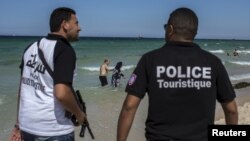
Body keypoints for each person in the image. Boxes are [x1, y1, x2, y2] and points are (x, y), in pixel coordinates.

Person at [117, 7, 238, 141]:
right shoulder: (213, 62)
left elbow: (129, 106)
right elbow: (231, 110)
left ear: (170, 29)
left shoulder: (150, 60)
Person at [10, 7, 86, 141]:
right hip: (54, 131)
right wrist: (79, 114)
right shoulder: (64, 50)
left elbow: (23, 89)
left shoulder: (31, 48)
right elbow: (62, 93)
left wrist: (18, 124)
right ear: (65, 25)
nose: (80, 28)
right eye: (76, 23)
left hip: (27, 128)